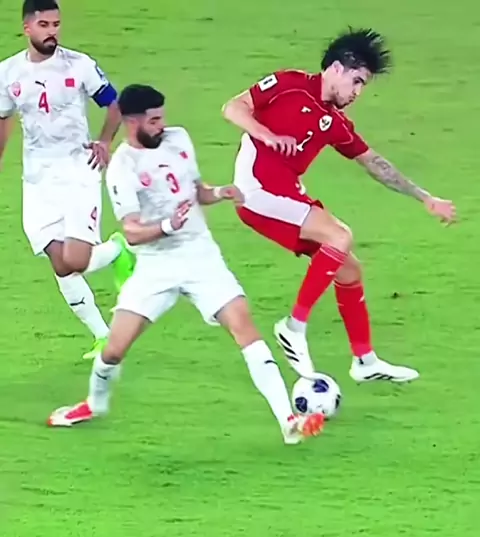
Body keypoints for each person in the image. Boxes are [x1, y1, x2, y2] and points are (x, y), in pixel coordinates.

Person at [47, 84, 325, 445]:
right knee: (114, 350)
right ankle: (93, 404)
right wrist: (168, 225)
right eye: (154, 120)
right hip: (156, 265)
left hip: (200, 256)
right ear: (132, 122)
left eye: (162, 117)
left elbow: (197, 191)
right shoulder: (122, 167)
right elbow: (131, 232)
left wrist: (219, 192)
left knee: (243, 326)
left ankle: (288, 421)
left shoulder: (178, 139)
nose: (162, 125)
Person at [222, 27, 456, 382]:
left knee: (349, 269)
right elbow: (233, 108)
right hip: (256, 190)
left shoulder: (334, 122)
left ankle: (365, 361)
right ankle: (293, 327)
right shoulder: (289, 84)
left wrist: (426, 197)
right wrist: (267, 135)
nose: (358, 92)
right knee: (340, 235)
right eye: (357, 81)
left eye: (363, 85)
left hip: (287, 193)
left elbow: (375, 163)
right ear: (336, 68)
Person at [0, 0, 134, 360]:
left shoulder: (79, 64)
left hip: (78, 168)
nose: (52, 32)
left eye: (56, 24)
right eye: (44, 25)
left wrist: (104, 141)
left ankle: (118, 250)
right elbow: (3, 119)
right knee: (59, 262)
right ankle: (103, 337)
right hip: (37, 178)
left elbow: (114, 103)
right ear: (27, 28)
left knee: (74, 260)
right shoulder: (8, 72)